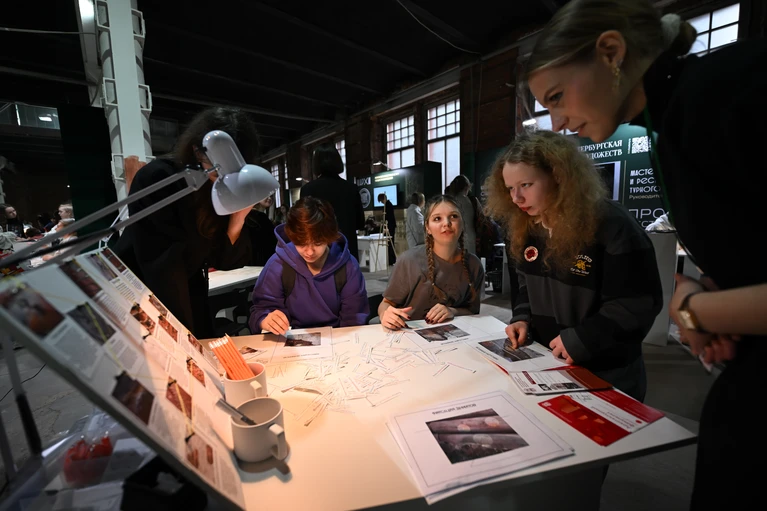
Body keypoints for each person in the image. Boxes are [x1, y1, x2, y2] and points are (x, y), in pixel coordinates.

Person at [525, 1, 767, 506]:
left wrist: (696, 309)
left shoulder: (724, 92)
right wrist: (712, 291)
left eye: (557, 97)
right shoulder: (674, 118)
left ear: (611, 52)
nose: (558, 122)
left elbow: (639, 302)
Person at [485, 130, 662, 401]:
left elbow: (637, 303)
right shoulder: (526, 226)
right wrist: (522, 318)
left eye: (526, 185)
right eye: (510, 188)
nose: (516, 198)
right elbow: (525, 286)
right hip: (549, 365)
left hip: (607, 374)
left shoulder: (612, 225)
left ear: (559, 176)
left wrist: (581, 339)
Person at [114, 107, 261, 338]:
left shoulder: (221, 187)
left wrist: (238, 218)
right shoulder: (160, 178)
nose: (225, 174)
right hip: (142, 290)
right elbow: (163, 267)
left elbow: (225, 260)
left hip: (189, 290)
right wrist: (184, 338)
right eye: (218, 165)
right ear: (197, 151)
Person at [249, 197, 369, 334]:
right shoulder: (278, 265)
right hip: (290, 338)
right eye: (301, 243)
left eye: (318, 243)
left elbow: (354, 318)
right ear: (292, 236)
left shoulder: (348, 266)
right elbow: (260, 310)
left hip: (338, 337)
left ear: (330, 236)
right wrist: (265, 320)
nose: (310, 252)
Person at [378, 194, 484, 329]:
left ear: (463, 223)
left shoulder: (474, 265)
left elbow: (473, 311)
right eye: (437, 218)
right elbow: (386, 304)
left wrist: (452, 311)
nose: (446, 223)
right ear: (427, 227)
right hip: (408, 333)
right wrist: (385, 314)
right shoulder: (409, 261)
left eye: (453, 216)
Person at [300, 143, 365, 260]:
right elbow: (360, 222)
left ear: (316, 164)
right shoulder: (351, 188)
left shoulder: (308, 189)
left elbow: (304, 223)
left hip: (319, 252)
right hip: (346, 249)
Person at [446, 176, 477, 255]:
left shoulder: (452, 201)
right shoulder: (467, 200)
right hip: (468, 236)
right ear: (466, 187)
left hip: (455, 236)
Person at [245, 194, 278, 266]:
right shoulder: (259, 217)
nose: (269, 198)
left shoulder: (249, 215)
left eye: (271, 196)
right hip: (261, 258)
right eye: (266, 195)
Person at [377, 192, 396, 265]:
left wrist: (386, 226)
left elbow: (390, 218)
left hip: (390, 227)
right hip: (389, 226)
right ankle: (390, 260)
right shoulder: (387, 205)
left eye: (381, 200)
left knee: (390, 243)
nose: (381, 202)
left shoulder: (388, 205)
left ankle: (391, 260)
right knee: (389, 243)